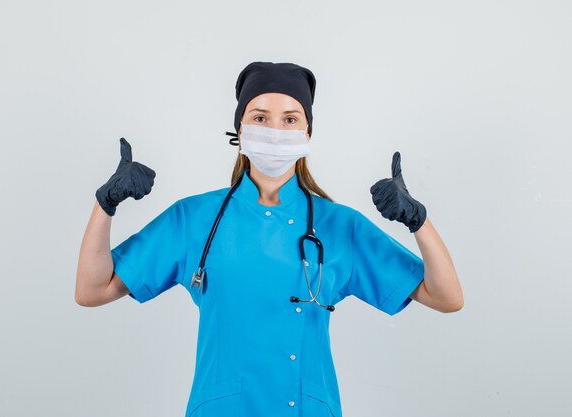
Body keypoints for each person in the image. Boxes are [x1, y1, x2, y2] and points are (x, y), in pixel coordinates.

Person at [75, 61, 463, 417]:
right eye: (260, 117)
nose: (275, 131)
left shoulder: (339, 226)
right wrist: (105, 204)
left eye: (290, 119)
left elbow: (446, 298)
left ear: (307, 131)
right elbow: (92, 290)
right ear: (239, 130)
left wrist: (419, 222)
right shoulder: (194, 219)